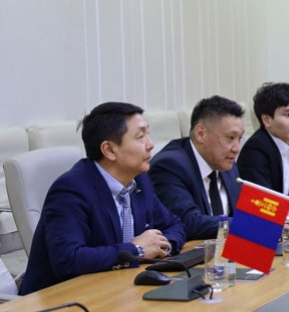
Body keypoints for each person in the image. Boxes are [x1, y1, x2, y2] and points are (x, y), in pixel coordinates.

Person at [20, 103, 186, 294]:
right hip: (61, 300)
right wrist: (136, 250)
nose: (150, 144)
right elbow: (68, 260)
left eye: (148, 134)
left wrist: (163, 246)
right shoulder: (71, 190)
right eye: (140, 137)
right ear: (109, 150)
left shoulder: (139, 181)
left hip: (118, 289)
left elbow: (175, 224)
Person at [149, 96, 244, 240]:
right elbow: (188, 222)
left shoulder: (226, 163)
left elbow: (241, 212)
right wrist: (247, 225)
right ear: (201, 134)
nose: (236, 148)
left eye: (239, 139)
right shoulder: (170, 165)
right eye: (230, 138)